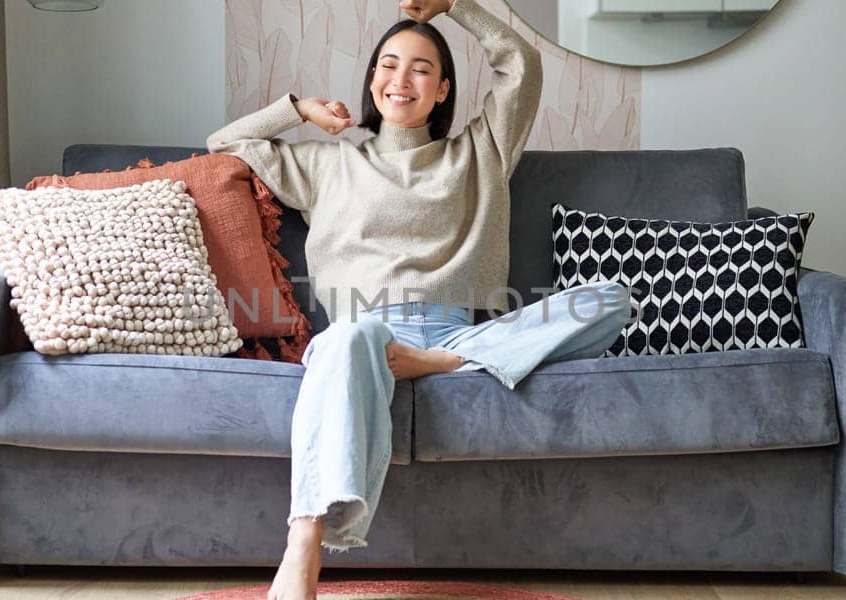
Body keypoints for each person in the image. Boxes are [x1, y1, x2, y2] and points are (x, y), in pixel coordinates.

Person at [205, 1, 635, 598]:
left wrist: (457, 7)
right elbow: (225, 143)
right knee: (348, 337)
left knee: (611, 299)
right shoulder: (328, 166)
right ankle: (304, 543)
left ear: (442, 90)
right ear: (372, 80)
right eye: (388, 64)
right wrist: (298, 110)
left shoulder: (480, 152)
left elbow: (523, 64)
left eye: (421, 68)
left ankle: (445, 362)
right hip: (367, 339)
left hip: (459, 338)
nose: (400, 79)